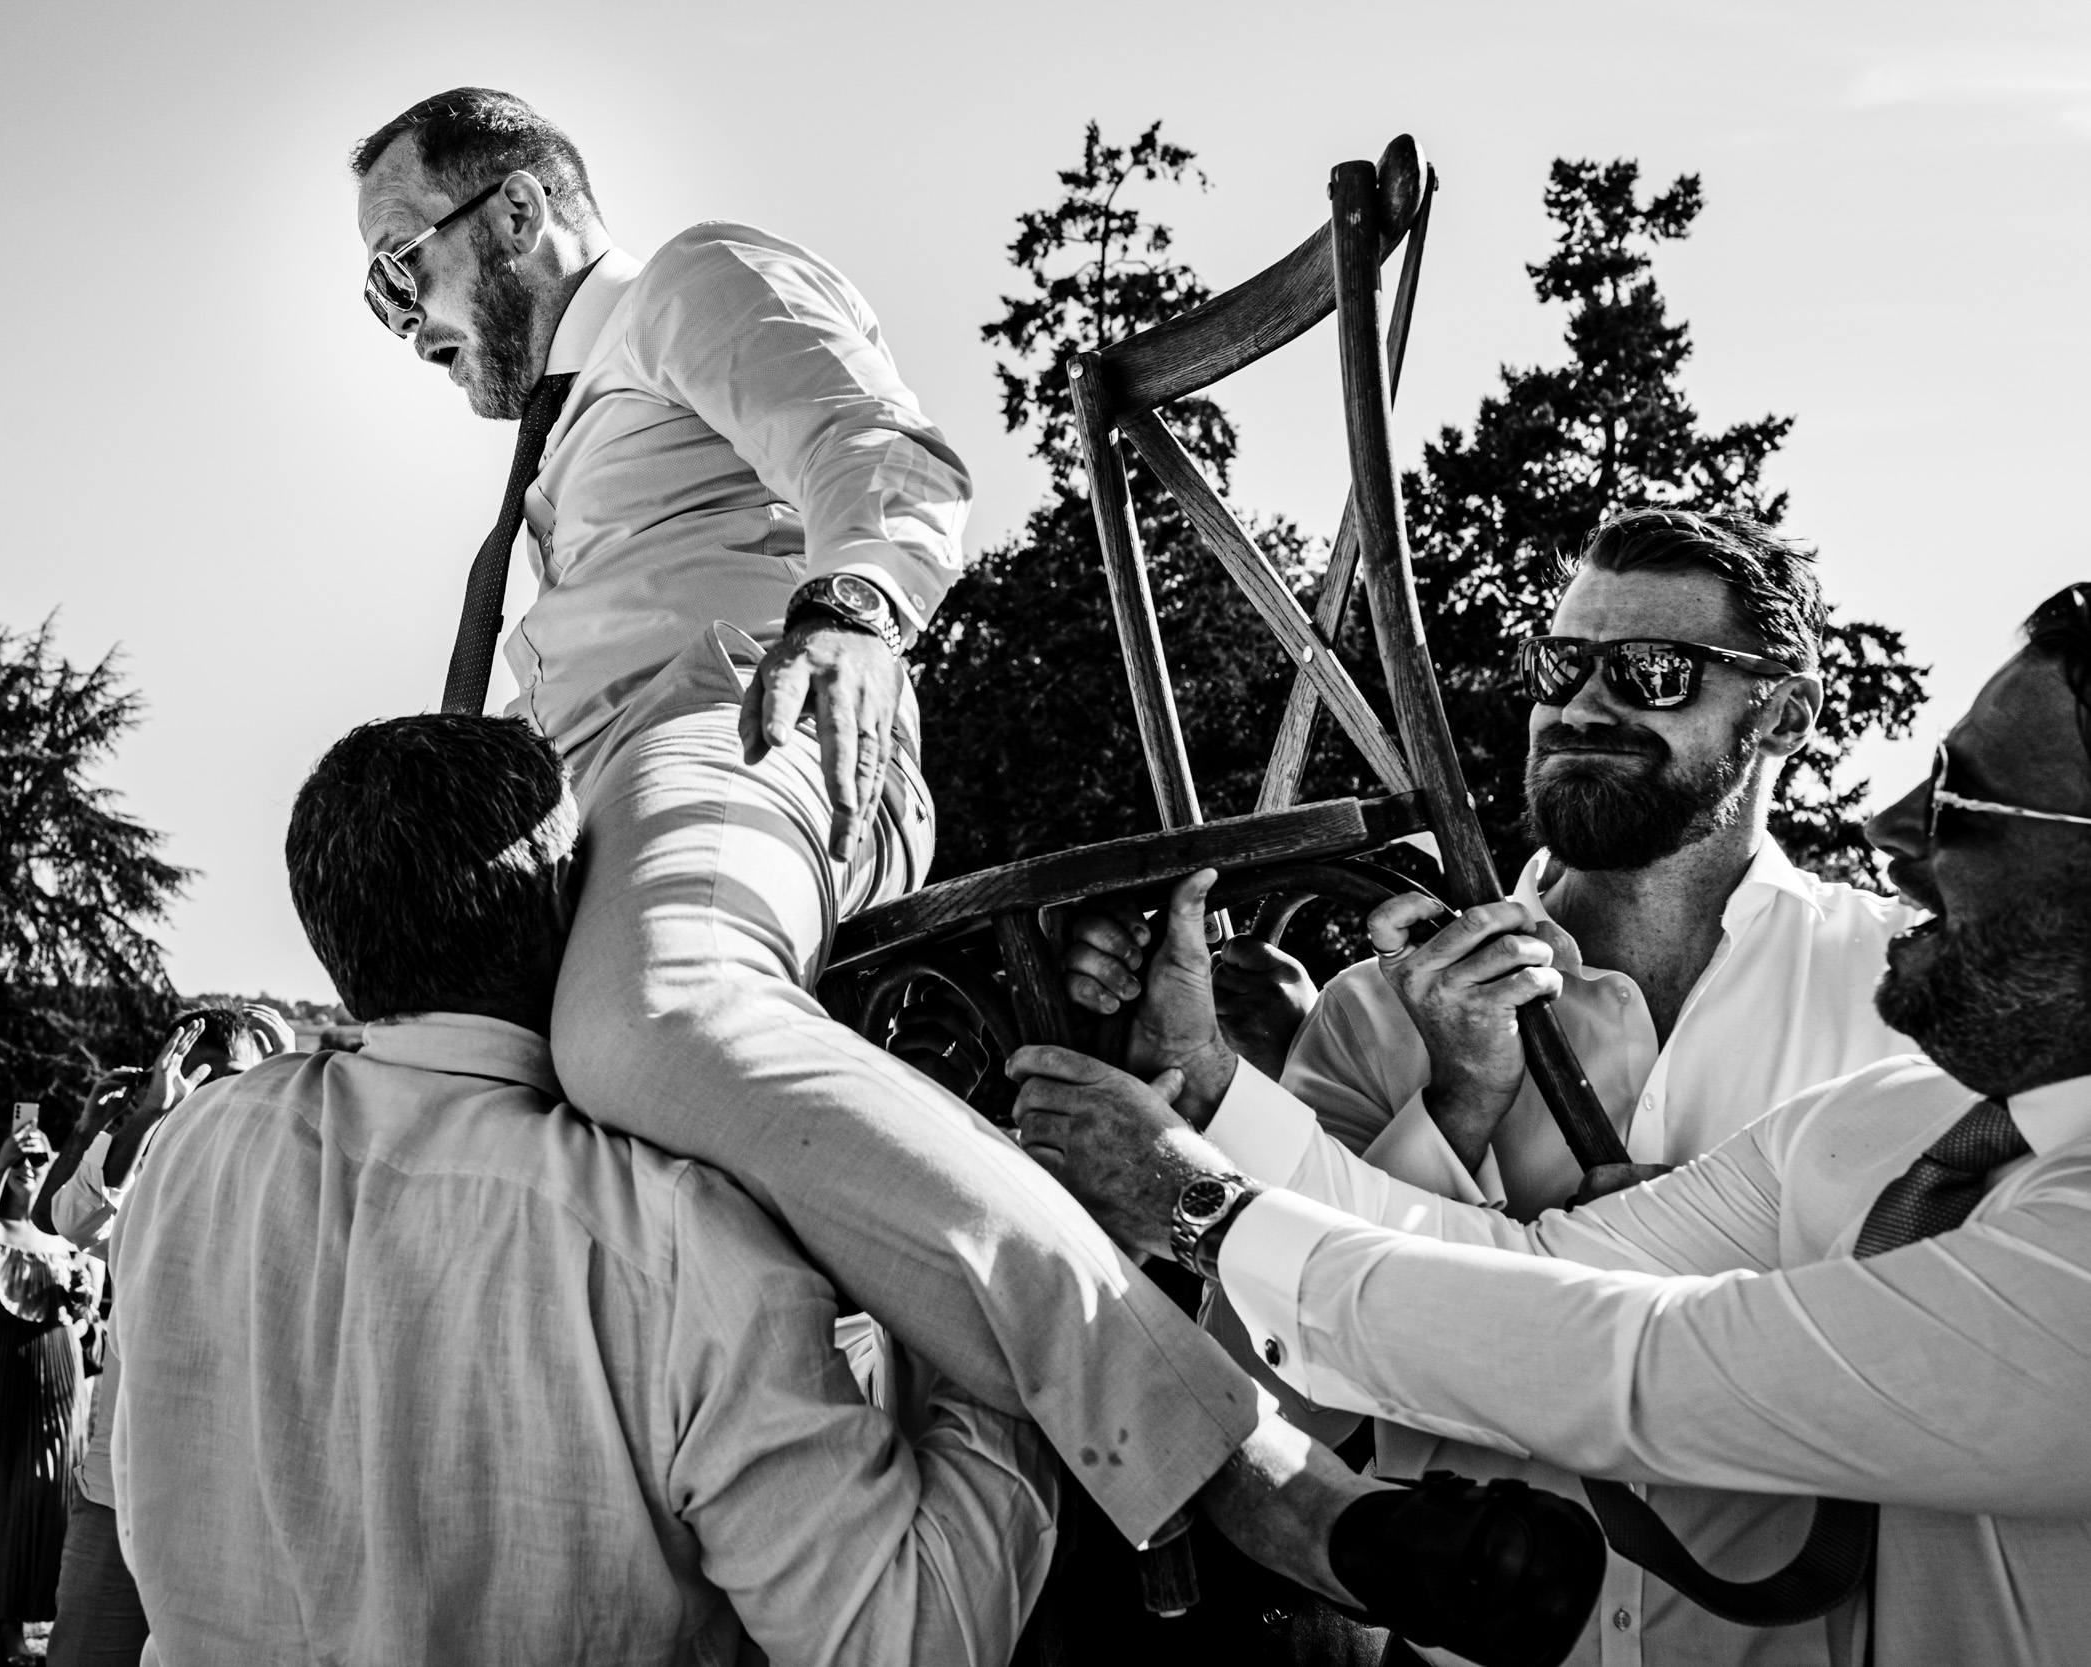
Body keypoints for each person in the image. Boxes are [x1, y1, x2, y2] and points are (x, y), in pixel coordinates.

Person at [348, 91, 1598, 1658]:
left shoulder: (688, 286)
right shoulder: (568, 431)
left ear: (519, 212)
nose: (396, 319)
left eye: (400, 268)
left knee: (643, 1020)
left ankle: (1262, 1477)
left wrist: (854, 609)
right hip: (597, 825)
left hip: (745, 739)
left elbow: (874, 449)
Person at [1016, 585, 2091, 1665]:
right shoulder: (1891, 1115)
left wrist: (1201, 1208)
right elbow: (1511, 1274)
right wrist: (1215, 1098)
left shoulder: (1918, 1012)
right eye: (1557, 663)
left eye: (1651, 670)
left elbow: (1636, 1363)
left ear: (1782, 713)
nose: (1577, 704)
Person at [113, 713, 1069, 1664]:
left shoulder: (196, 1150)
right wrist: (1001, 1305)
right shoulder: (674, 1241)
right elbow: (906, 1641)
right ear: (571, 897)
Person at [30, 1006, 283, 1667]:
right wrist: (141, 1118)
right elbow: (71, 1219)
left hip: (243, 1502)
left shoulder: (290, 1178)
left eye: (232, 1078)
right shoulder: (147, 1174)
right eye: (192, 1077)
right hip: (122, 1493)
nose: (210, 1096)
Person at [0, 1119, 99, 1660]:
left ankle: (26, 1612)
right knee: (2, 1491)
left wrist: (81, 1301)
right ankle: (5, 1621)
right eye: (20, 1158)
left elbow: (86, 1315)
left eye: (39, 1158)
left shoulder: (64, 1237)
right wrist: (3, 1158)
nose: (29, 1167)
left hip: (57, 1377)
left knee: (44, 1491)